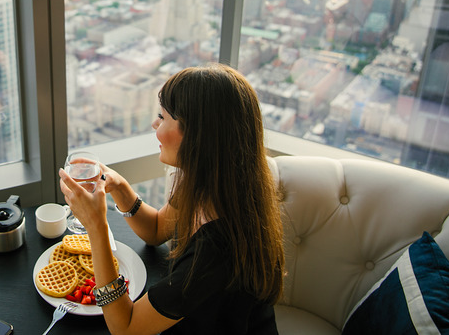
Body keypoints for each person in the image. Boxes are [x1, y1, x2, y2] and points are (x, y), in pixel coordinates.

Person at [59, 64, 285, 335]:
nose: (155, 123)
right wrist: (120, 188)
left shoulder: (217, 249)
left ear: (197, 137)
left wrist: (96, 225)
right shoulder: (210, 183)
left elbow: (125, 327)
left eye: (163, 117)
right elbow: (156, 231)